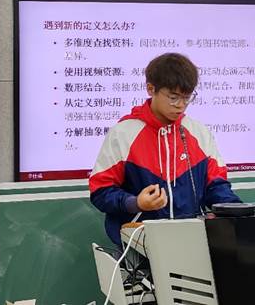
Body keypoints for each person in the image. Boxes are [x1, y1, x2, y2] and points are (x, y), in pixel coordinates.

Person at [89, 52, 241, 244]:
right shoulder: (123, 134)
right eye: (173, 97)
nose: (181, 106)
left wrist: (237, 213)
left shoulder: (199, 133)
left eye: (187, 98)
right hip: (140, 245)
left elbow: (217, 187)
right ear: (151, 89)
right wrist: (136, 203)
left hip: (193, 242)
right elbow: (101, 192)